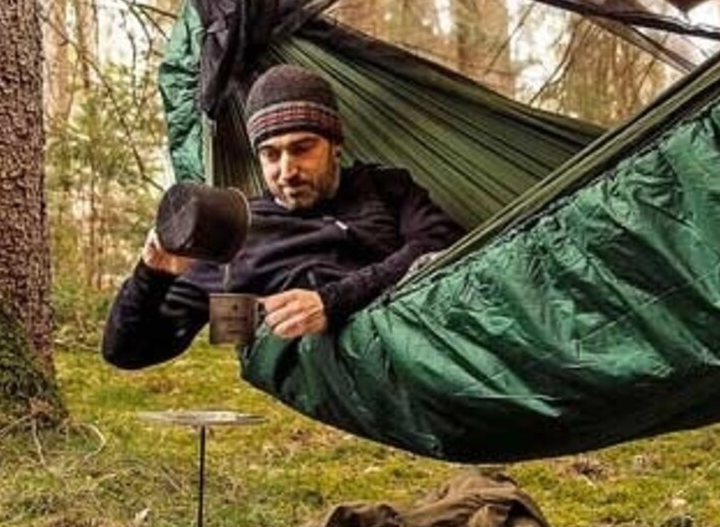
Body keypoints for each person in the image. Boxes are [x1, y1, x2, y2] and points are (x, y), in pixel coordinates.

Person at [102, 64, 463, 367]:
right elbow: (126, 352)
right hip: (344, 375)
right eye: (271, 155)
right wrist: (151, 275)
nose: (287, 170)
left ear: (335, 146)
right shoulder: (238, 230)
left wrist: (330, 302)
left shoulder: (383, 187)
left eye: (302, 149)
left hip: (432, 347)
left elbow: (442, 243)